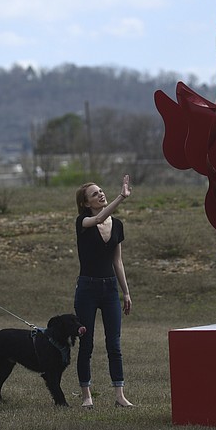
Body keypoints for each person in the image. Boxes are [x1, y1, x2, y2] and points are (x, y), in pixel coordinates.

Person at [74, 174, 134, 408]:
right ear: (86, 203)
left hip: (109, 289)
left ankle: (120, 396)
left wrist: (125, 292)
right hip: (87, 288)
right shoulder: (82, 221)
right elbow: (99, 218)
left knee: (114, 344)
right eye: (94, 194)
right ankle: (86, 396)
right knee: (86, 343)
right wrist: (122, 196)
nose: (100, 194)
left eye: (101, 191)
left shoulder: (117, 225)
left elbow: (117, 261)